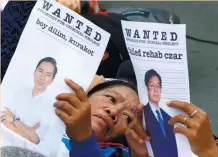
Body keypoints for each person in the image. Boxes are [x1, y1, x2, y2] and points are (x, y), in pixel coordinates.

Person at [55, 78, 218, 157]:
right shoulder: (38, 110)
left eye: (127, 117)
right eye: (111, 98)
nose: (113, 112)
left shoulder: (116, 153)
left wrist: (208, 151)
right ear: (87, 94)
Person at [0, 57, 58, 145]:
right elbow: (3, 118)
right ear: (34, 72)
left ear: (52, 80)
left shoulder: (50, 107)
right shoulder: (21, 92)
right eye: (40, 71)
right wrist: (29, 131)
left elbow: (34, 140)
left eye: (48, 75)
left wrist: (14, 119)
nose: (42, 77)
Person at [143, 69, 178, 157]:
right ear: (146, 88)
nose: (156, 90)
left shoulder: (168, 117)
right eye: (152, 85)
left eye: (158, 86)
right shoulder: (142, 114)